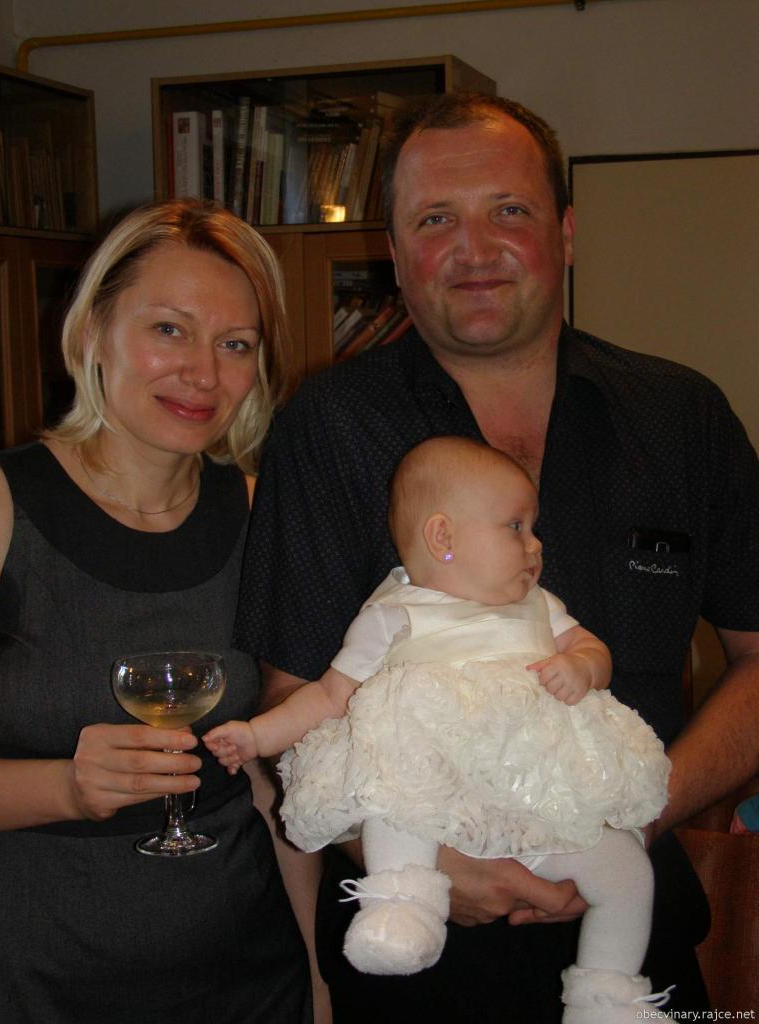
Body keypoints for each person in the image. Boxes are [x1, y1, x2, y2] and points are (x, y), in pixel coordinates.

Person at [234, 94, 759, 1022]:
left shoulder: (683, 417)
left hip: (635, 948)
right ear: (393, 253)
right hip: (417, 962)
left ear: (566, 231)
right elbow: (298, 693)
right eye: (435, 219)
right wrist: (422, 857)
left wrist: (632, 813)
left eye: (508, 210)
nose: (473, 250)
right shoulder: (326, 428)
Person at [207, 437, 672, 1021]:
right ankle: (403, 907)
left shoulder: (539, 605)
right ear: (442, 538)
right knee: (393, 800)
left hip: (542, 799)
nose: (535, 544)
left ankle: (607, 993)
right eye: (516, 527)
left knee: (628, 871)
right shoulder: (393, 616)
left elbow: (592, 647)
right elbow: (328, 696)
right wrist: (257, 737)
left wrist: (583, 666)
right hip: (439, 801)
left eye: (532, 528)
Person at [0, 199, 312, 1023]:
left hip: (247, 973)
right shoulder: (0, 506)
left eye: (235, 344)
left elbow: (277, 784)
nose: (204, 373)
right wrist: (65, 788)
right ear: (94, 330)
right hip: (36, 974)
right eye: (170, 329)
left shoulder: (261, 512)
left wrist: (315, 978)